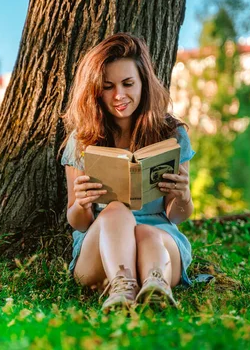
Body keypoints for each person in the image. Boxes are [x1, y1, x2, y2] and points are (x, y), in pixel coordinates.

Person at [60, 33, 195, 311]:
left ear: (144, 82)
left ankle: (155, 283)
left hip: (159, 241)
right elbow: (79, 222)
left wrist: (183, 196)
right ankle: (123, 285)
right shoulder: (82, 139)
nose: (119, 95)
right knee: (115, 212)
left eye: (128, 83)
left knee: (147, 233)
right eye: (108, 87)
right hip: (101, 248)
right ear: (96, 90)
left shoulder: (172, 134)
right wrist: (82, 203)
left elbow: (178, 216)